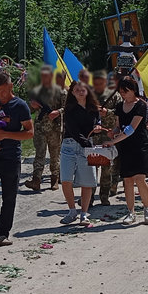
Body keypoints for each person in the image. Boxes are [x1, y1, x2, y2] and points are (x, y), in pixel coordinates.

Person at [0, 71, 33, 247]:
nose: (0, 95)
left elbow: (30, 132)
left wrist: (5, 135)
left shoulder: (20, 106)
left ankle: (3, 234)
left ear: (11, 86)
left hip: (10, 157)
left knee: (9, 197)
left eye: (3, 91)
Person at [103, 76, 148, 225]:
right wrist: (113, 132)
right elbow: (119, 126)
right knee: (127, 180)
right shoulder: (120, 106)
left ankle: (147, 208)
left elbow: (131, 129)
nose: (123, 94)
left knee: (140, 178)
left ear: (133, 90)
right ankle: (131, 212)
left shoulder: (141, 105)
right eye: (121, 91)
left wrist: (112, 141)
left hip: (140, 146)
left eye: (125, 91)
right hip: (125, 147)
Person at [57, 81, 102, 226]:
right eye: (77, 90)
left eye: (83, 90)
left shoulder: (94, 108)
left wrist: (97, 127)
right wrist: (87, 144)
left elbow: (97, 122)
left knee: (87, 182)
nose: (80, 92)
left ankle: (84, 213)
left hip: (87, 146)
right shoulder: (69, 109)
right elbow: (73, 130)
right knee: (66, 180)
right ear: (72, 92)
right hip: (70, 146)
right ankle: (72, 211)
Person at [25, 65, 65, 192]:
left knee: (55, 155)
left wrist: (57, 112)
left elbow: (67, 108)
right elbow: (29, 110)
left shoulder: (60, 92)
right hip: (40, 128)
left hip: (55, 129)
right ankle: (36, 180)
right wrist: (32, 105)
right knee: (39, 154)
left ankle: (54, 179)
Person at [92, 70, 121, 205]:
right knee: (92, 167)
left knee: (107, 167)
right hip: (93, 135)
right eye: (95, 83)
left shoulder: (114, 95)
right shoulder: (89, 95)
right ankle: (89, 197)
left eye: (100, 83)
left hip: (109, 135)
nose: (98, 85)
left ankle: (104, 195)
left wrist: (107, 112)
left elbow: (120, 112)